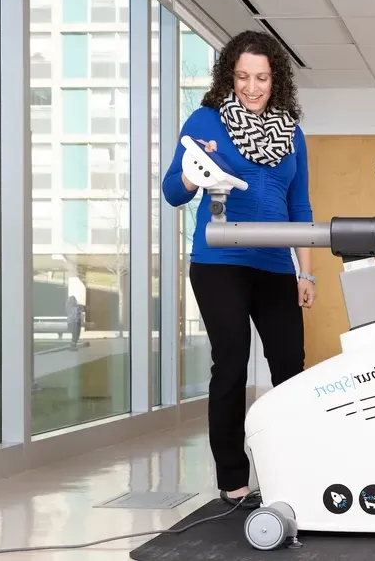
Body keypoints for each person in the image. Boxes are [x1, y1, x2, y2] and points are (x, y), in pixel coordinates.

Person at [162, 29, 316, 507]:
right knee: (230, 363)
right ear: (231, 76)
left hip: (274, 264)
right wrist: (193, 171)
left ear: (277, 81)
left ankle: (291, 464)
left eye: (263, 78)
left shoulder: (291, 132)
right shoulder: (206, 121)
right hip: (220, 261)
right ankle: (233, 479)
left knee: (290, 366)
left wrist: (304, 272)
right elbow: (172, 191)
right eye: (244, 76)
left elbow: (301, 204)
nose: (253, 87)